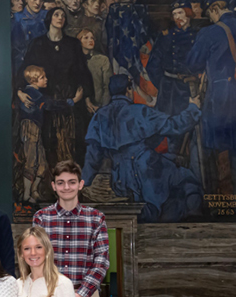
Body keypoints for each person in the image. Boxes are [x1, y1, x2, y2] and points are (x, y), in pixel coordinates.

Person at [83, 75, 203, 223]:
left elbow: (92, 156)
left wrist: (84, 183)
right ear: (128, 90)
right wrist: (193, 108)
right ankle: (194, 222)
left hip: (120, 179)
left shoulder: (99, 116)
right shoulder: (139, 112)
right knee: (188, 180)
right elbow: (174, 125)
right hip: (148, 169)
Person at [185, 0, 236, 197]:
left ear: (215, 9)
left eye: (210, 14)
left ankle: (212, 198)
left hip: (220, 97)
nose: (210, 18)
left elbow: (192, 63)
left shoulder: (210, 32)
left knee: (211, 147)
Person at [20, 7, 94, 166]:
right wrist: (19, 92)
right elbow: (24, 70)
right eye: (56, 15)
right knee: (50, 139)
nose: (60, 18)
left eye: (62, 15)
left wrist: (87, 99)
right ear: (49, 19)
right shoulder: (38, 43)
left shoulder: (73, 44)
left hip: (70, 97)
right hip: (48, 97)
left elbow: (83, 72)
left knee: (71, 139)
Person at [32, 161, 110, 297]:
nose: (66, 187)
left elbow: (102, 261)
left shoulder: (96, 218)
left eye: (71, 182)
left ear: (80, 184)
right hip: (49, 295)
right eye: (61, 183)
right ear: (54, 186)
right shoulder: (41, 217)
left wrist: (80, 294)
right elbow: (36, 258)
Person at [17, 67, 50, 205]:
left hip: (36, 128)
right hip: (30, 127)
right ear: (34, 80)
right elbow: (49, 104)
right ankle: (26, 195)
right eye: (43, 77)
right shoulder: (32, 93)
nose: (46, 79)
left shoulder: (33, 92)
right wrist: (71, 101)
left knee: (42, 163)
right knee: (31, 161)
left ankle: (33, 191)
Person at [11, 0, 48, 78]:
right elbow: (17, 50)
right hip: (26, 65)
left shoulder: (48, 16)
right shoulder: (17, 19)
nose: (38, 3)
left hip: (46, 64)